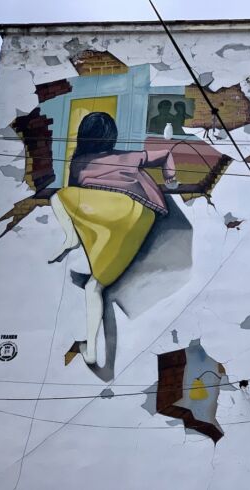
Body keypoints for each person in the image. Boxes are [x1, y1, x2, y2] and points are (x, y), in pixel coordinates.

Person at [50, 111, 177, 365]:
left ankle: (70, 237)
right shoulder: (127, 157)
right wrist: (171, 178)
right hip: (136, 215)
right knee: (94, 285)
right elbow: (165, 153)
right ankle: (91, 350)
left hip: (109, 213)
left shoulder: (78, 163)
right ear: (112, 136)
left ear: (83, 136)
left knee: (58, 197)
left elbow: (76, 197)